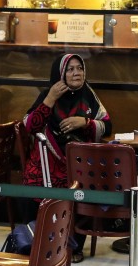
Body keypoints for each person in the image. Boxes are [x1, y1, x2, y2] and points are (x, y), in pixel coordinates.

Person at [23, 53, 111, 189]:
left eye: (80, 68)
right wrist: (50, 99)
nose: (77, 73)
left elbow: (107, 126)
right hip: (49, 164)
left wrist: (85, 122)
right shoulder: (48, 94)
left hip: (82, 163)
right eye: (70, 69)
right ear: (60, 73)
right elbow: (30, 127)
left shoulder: (87, 94)